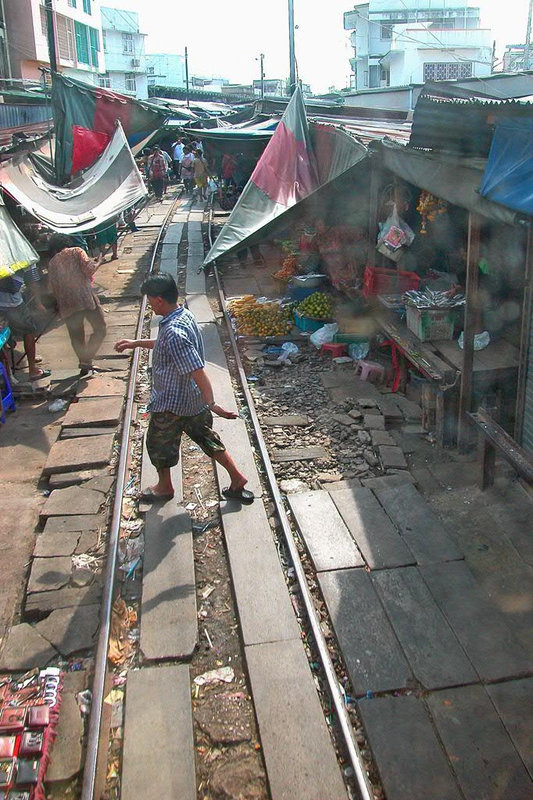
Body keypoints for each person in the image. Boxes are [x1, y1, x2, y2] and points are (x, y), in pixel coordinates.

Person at [114, 272, 253, 504]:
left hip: (172, 403)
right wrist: (136, 343)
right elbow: (167, 346)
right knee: (207, 438)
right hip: (192, 400)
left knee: (158, 444)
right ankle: (237, 478)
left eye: (149, 300)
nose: (149, 305)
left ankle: (164, 487)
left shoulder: (173, 332)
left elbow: (197, 370)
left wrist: (213, 404)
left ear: (158, 300)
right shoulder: (183, 316)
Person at [47, 234, 107, 376]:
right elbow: (89, 270)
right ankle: (87, 358)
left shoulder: (52, 263)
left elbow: (52, 288)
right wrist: (99, 261)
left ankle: (84, 361)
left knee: (76, 336)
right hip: (85, 298)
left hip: (67, 304)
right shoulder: (77, 251)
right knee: (100, 328)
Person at [0, 263, 51, 381]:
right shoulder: (25, 255)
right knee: (29, 331)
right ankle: (33, 370)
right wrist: (38, 303)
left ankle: (8, 375)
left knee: (2, 338)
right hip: (14, 303)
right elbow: (33, 283)